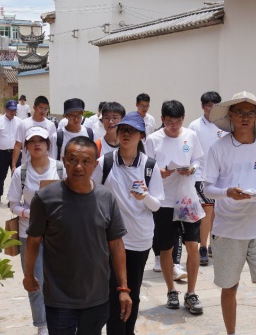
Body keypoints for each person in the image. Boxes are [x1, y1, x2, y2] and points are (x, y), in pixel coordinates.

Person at [23, 137, 132, 334]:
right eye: (72, 160)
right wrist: (29, 275)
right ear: (64, 161)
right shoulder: (45, 198)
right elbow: (33, 241)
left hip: (97, 296)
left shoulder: (106, 198)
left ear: (95, 165)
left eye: (86, 161)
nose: (78, 167)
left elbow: (116, 244)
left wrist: (123, 288)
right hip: (59, 297)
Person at [204, 91, 256, 335]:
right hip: (228, 230)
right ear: (230, 115)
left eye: (250, 113)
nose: (245, 117)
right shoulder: (218, 148)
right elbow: (207, 188)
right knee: (230, 288)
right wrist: (227, 193)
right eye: (240, 112)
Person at [92, 112, 164, 335]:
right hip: (111, 241)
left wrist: (145, 197)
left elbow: (157, 205)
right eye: (123, 130)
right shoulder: (105, 162)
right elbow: (91, 194)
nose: (126, 134)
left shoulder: (150, 166)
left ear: (141, 135)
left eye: (132, 131)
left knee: (133, 293)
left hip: (140, 239)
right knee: (115, 295)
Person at [145, 100, 204, 314]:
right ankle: (171, 290)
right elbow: (147, 166)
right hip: (164, 201)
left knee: (193, 245)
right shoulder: (153, 139)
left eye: (178, 121)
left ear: (183, 119)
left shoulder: (191, 135)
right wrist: (159, 172)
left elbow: (198, 159)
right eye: (169, 122)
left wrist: (192, 168)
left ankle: (191, 292)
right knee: (166, 248)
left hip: (187, 199)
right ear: (162, 119)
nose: (174, 126)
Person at [7, 126, 64, 335]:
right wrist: (29, 213)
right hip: (30, 235)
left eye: (41, 140)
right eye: (32, 141)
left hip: (58, 235)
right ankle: (42, 325)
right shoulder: (21, 173)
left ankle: (61, 319)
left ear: (48, 145)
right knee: (34, 280)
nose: (37, 144)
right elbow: (13, 204)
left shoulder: (60, 169)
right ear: (27, 146)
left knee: (60, 281)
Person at [188, 91, 226, 266]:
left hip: (222, 176)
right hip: (201, 175)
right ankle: (202, 246)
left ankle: (213, 245)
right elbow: (191, 151)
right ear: (203, 106)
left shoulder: (224, 124)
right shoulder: (194, 126)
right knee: (206, 211)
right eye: (209, 105)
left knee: (218, 213)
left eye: (215, 105)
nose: (212, 109)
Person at [12, 96, 57, 171]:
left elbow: (52, 147)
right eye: (40, 108)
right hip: (27, 165)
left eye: (45, 109)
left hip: (45, 166)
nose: (43, 111)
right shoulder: (24, 124)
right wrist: (13, 165)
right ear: (34, 107)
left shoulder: (51, 125)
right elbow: (18, 145)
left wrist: (53, 165)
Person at [0, 100, 22, 204]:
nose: (12, 112)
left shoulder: (19, 122)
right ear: (6, 109)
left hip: (16, 153)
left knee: (16, 176)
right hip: (3, 153)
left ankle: (13, 198)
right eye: (10, 110)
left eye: (14, 110)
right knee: (1, 176)